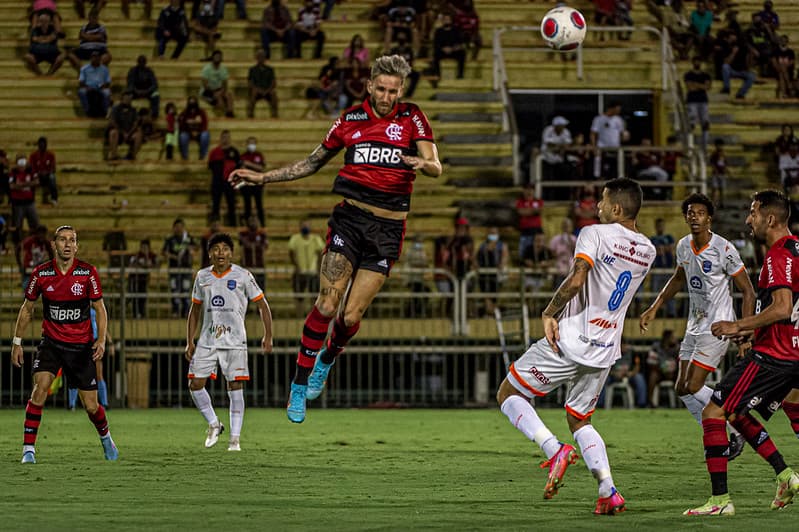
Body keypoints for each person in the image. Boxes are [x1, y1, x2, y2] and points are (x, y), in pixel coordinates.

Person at [228, 55, 441, 423]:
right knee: (327, 303)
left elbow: (435, 164)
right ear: (369, 86)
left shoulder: (412, 117)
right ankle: (298, 385)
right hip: (350, 220)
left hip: (388, 230)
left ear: (401, 90)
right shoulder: (350, 121)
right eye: (381, 89)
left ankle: (327, 357)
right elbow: (311, 163)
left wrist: (425, 166)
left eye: (394, 90)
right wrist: (263, 178)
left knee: (351, 314)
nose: (387, 96)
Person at [496, 178, 655, 514]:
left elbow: (578, 278)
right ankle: (608, 490)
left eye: (602, 200)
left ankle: (554, 449)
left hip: (571, 340)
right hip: (606, 349)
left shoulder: (593, 232)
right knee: (580, 418)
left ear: (615, 208)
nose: (596, 207)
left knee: (509, 392)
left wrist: (549, 311)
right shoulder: (648, 250)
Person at [685, 190, 799, 516]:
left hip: (772, 356)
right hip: (792, 352)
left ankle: (719, 501)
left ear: (770, 218)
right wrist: (755, 328)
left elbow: (781, 307)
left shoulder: (779, 255)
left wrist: (739, 325)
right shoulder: (796, 251)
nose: (749, 219)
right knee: (741, 413)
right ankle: (785, 475)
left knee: (713, 412)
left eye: (753, 213)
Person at [640, 194, 754, 446]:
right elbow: (678, 278)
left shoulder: (724, 249)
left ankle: (738, 423)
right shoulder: (682, 245)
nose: (694, 216)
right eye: (690, 212)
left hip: (718, 326)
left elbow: (748, 290)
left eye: (700, 213)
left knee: (693, 385)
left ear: (709, 219)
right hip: (694, 325)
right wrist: (655, 307)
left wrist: (744, 332)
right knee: (681, 388)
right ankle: (726, 433)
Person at [11, 225, 118, 464]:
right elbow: (27, 309)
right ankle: (28, 449)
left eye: (72, 240)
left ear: (77, 246)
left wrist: (100, 339)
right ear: (54, 245)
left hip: (80, 348)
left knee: (91, 406)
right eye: (62, 239)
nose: (68, 244)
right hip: (51, 344)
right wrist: (17, 343)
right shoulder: (41, 274)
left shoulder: (87, 273)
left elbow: (100, 308)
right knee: (40, 390)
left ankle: (106, 438)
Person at [186, 233, 272, 451]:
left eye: (225, 248)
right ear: (209, 254)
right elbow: (194, 310)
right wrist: (189, 340)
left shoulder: (243, 276)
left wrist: (268, 335)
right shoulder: (202, 276)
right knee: (195, 384)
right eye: (216, 248)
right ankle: (214, 424)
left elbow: (263, 305)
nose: (220, 252)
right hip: (208, 339)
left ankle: (235, 440)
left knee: (234, 387)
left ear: (232, 253)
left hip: (234, 340)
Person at [67, 307, 114, 410]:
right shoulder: (75, 310)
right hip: (79, 341)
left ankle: (105, 403)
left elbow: (102, 327)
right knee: (76, 374)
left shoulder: (94, 310)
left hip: (94, 342)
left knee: (98, 374)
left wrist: (109, 342)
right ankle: (71, 404)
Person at [287, 219, 325, 316]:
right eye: (303, 225)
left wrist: (318, 267)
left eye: (307, 225)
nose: (305, 227)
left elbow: (321, 253)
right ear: (300, 227)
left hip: (313, 272)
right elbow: (291, 253)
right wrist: (296, 266)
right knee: (299, 295)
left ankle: (313, 315)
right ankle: (299, 315)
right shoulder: (295, 239)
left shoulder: (316, 238)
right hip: (300, 272)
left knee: (314, 295)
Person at [163, 218, 196, 317]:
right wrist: (172, 256)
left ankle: (186, 311)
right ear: (173, 228)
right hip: (173, 269)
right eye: (176, 227)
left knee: (185, 289)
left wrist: (191, 250)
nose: (178, 229)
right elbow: (164, 252)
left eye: (180, 227)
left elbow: (195, 247)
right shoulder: (170, 240)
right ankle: (175, 311)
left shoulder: (188, 238)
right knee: (174, 290)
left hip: (186, 269)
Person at [207, 130, 240, 226]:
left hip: (229, 182)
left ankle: (233, 225)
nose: (225, 139)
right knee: (215, 204)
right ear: (220, 138)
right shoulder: (214, 152)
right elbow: (210, 167)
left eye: (227, 137)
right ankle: (215, 225)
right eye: (223, 137)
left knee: (231, 204)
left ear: (230, 138)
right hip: (217, 182)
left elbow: (239, 168)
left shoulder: (234, 152)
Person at [590, 101, 628, 180]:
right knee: (601, 173)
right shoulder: (599, 119)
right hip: (602, 149)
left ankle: (614, 192)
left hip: (615, 150)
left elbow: (622, 134)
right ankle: (600, 191)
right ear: (611, 108)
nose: (618, 111)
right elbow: (593, 134)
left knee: (615, 173)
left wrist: (625, 137)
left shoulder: (619, 120)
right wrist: (594, 147)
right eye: (617, 109)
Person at [476, 226, 508, 316]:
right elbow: (478, 259)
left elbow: (504, 257)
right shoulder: (483, 246)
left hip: (496, 274)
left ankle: (492, 313)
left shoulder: (502, 245)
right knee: (487, 296)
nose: (493, 235)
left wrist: (502, 264)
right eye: (491, 233)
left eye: (494, 233)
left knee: (494, 296)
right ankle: (490, 313)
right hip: (485, 275)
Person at [8, 153, 40, 241]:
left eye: (23, 162)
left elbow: (37, 182)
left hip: (30, 202)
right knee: (17, 226)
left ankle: (35, 242)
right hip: (17, 204)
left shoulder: (31, 171)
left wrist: (22, 185)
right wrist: (26, 185)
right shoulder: (13, 173)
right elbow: (12, 186)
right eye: (20, 162)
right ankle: (18, 244)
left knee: (35, 224)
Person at [648, 218, 676, 317]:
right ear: (656, 227)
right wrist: (660, 249)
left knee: (670, 292)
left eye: (662, 225)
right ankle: (655, 311)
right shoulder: (652, 239)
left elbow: (672, 248)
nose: (660, 227)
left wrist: (662, 249)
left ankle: (671, 313)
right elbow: (651, 251)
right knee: (655, 291)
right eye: (658, 225)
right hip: (656, 269)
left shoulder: (669, 237)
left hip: (668, 269)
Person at [684, 56, 712, 152]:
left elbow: (707, 87)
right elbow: (690, 88)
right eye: (696, 61)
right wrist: (702, 86)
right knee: (692, 123)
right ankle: (690, 144)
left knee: (705, 123)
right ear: (693, 62)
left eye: (699, 61)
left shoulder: (706, 75)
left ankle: (704, 145)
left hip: (703, 101)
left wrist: (696, 85)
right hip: (692, 101)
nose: (697, 63)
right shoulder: (688, 74)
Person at [106, 90, 143, 161]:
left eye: (129, 99)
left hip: (129, 133)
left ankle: (133, 155)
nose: (128, 100)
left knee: (139, 134)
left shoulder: (133, 110)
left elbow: (135, 123)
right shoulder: (116, 109)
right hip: (119, 133)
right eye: (126, 99)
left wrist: (129, 133)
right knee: (113, 132)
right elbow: (113, 121)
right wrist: (122, 132)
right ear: (122, 99)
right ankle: (114, 155)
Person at [430, 13, 466, 81]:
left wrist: (452, 49)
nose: (447, 21)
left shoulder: (456, 30)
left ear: (451, 20)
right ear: (442, 21)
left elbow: (460, 43)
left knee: (462, 53)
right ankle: (437, 74)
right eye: (445, 19)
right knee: (435, 54)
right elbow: (436, 44)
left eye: (448, 19)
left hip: (453, 51)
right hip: (442, 51)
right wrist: (443, 49)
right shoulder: (438, 31)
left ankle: (460, 74)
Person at [239, 136, 266, 226]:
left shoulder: (259, 155)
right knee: (247, 205)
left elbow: (261, 168)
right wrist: (253, 167)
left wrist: (248, 164)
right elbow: (242, 170)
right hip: (246, 184)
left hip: (257, 183)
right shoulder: (243, 156)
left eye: (253, 143)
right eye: (250, 143)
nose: (251, 145)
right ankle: (247, 224)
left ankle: (262, 224)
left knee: (259, 205)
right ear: (247, 144)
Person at [200, 50, 235, 118]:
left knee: (229, 95)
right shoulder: (206, 68)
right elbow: (205, 85)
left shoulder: (223, 68)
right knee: (219, 100)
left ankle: (230, 112)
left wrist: (222, 91)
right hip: (207, 91)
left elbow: (225, 84)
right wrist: (215, 93)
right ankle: (225, 114)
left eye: (219, 57)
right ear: (213, 57)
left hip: (219, 90)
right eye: (216, 56)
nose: (218, 58)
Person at [128, 238, 157, 318]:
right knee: (134, 296)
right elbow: (132, 265)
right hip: (134, 279)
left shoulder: (152, 255)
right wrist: (144, 265)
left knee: (142, 297)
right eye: (142, 247)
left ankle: (142, 313)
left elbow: (156, 265)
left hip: (144, 280)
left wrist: (147, 260)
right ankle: (135, 313)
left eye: (146, 247)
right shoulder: (136, 255)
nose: (144, 249)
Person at [77, 50, 111, 118]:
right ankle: (87, 110)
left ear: (99, 58)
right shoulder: (84, 68)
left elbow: (108, 82)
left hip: (101, 87)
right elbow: (81, 82)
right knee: (81, 92)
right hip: (88, 87)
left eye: (97, 57)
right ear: (91, 58)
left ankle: (104, 111)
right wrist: (87, 87)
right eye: (93, 57)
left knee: (107, 92)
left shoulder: (105, 69)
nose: (95, 59)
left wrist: (102, 86)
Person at [239, 215, 269, 289]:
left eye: (255, 221)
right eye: (251, 221)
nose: (253, 223)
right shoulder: (243, 234)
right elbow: (242, 243)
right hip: (247, 265)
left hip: (259, 264)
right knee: (246, 289)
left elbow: (265, 245)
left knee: (260, 288)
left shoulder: (262, 234)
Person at [515, 183, 543, 261]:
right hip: (525, 231)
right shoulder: (520, 201)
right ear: (523, 191)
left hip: (537, 231)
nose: (529, 191)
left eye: (531, 189)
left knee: (539, 253)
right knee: (523, 253)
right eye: (526, 189)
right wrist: (533, 211)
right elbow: (520, 212)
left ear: (533, 191)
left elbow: (539, 211)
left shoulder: (538, 201)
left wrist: (527, 211)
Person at [247, 50, 279, 119]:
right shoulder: (252, 70)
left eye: (262, 57)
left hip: (267, 90)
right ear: (256, 58)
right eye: (259, 57)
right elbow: (250, 83)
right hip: (257, 90)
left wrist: (267, 90)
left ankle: (275, 114)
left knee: (273, 93)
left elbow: (273, 82)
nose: (261, 58)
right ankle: (250, 113)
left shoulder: (270, 69)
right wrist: (258, 90)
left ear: (265, 58)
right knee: (253, 93)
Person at [29, 136, 58, 206]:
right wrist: (37, 174)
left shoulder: (51, 155)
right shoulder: (33, 155)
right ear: (38, 145)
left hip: (47, 175)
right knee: (30, 179)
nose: (42, 146)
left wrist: (47, 172)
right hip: (37, 176)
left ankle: (54, 199)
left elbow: (53, 168)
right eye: (40, 145)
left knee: (52, 177)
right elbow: (31, 168)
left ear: (46, 145)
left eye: (44, 144)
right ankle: (31, 200)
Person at [549, 217, 576, 288]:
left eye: (568, 226)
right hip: (558, 262)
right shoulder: (555, 239)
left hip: (570, 262)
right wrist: (559, 254)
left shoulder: (574, 239)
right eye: (565, 226)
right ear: (562, 227)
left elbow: (576, 253)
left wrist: (570, 241)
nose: (566, 228)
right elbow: (551, 254)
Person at [708, 138, 729, 208]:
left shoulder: (723, 154)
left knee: (721, 189)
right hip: (716, 173)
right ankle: (712, 203)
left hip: (722, 173)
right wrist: (715, 170)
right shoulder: (714, 154)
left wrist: (726, 169)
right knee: (714, 188)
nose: (720, 147)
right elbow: (712, 163)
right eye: (718, 145)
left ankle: (721, 203)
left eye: (721, 145)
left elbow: (725, 163)